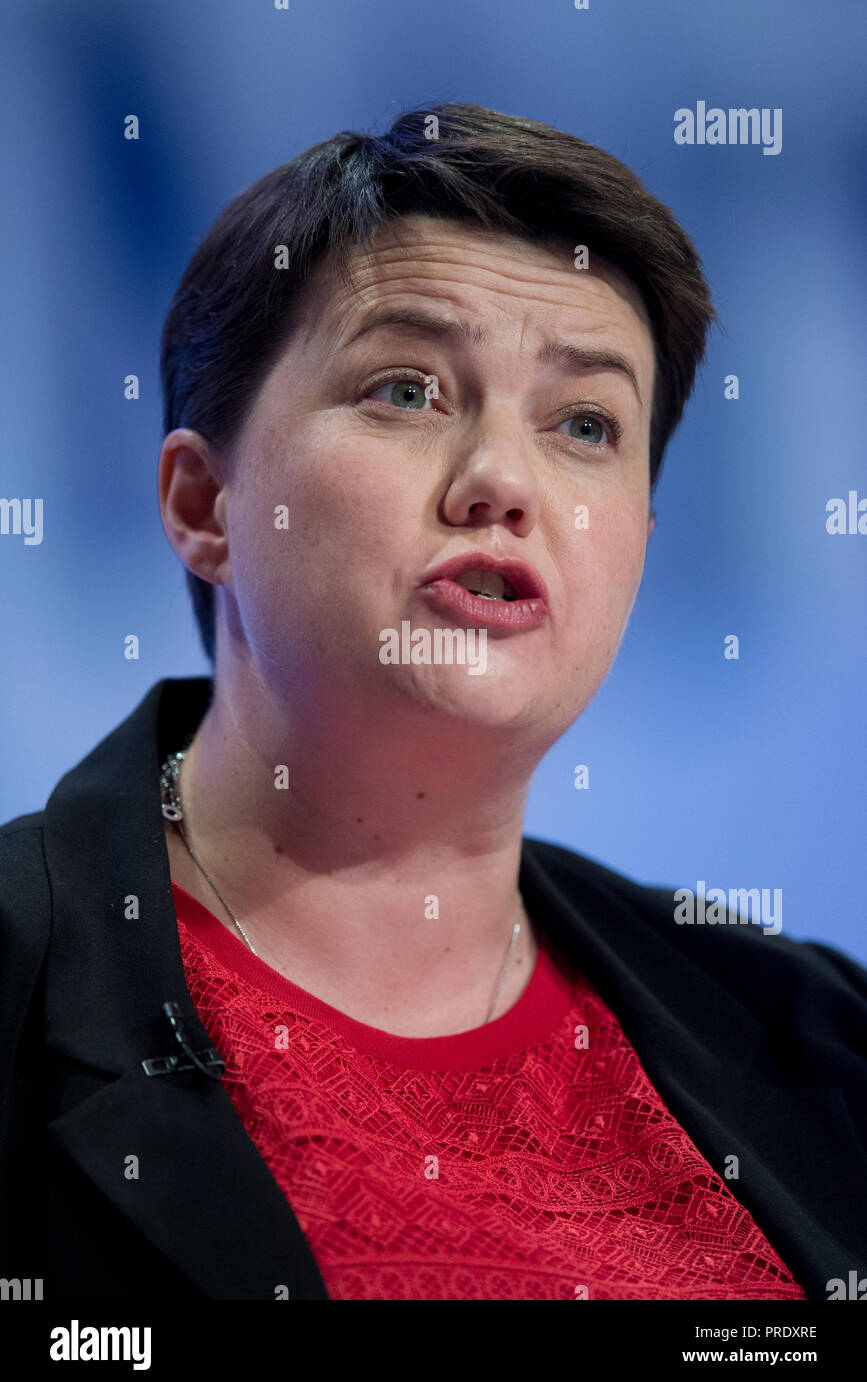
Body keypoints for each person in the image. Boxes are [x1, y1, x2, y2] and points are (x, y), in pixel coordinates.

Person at [1, 102, 865, 1302]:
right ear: (207, 506)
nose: (504, 482)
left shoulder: (821, 1041)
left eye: (584, 424)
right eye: (406, 390)